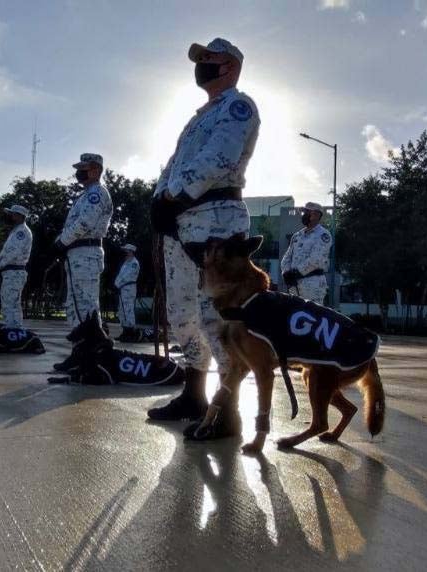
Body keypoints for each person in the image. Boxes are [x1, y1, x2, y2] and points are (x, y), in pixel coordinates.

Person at [147, 37, 260, 438]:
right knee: (182, 316)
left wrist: (175, 196)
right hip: (182, 224)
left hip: (216, 221)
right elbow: (175, 164)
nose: (202, 65)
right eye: (201, 60)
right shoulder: (198, 117)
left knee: (216, 320)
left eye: (209, 59)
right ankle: (193, 394)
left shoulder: (238, 106)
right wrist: (160, 198)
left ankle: (228, 411)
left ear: (229, 66)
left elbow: (219, 160)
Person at [53, 153, 113, 371]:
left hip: (86, 252)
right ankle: (81, 352)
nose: (79, 172)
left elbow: (85, 222)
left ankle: (90, 354)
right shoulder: (86, 194)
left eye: (84, 168)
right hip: (78, 253)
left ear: (96, 170)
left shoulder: (97, 193)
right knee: (76, 306)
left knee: (85, 306)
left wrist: (62, 241)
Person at [280, 202, 332, 304]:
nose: (304, 215)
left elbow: (316, 259)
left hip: (313, 285)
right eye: (304, 212)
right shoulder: (297, 235)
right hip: (294, 285)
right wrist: (286, 273)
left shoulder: (323, 235)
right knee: (295, 315)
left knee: (312, 316)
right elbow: (287, 257)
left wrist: (296, 273)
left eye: (307, 212)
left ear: (316, 215)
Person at [0, 205, 33, 329]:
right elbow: (5, 252)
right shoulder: (16, 231)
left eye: (13, 214)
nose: (11, 216)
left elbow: (14, 252)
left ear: (20, 216)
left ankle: (14, 329)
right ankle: (10, 327)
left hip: (14, 271)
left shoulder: (22, 231)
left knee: (11, 301)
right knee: (7, 300)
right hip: (10, 271)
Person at [114, 244, 140, 342]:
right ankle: (125, 332)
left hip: (129, 288)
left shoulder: (134, 263)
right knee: (122, 310)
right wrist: (116, 284)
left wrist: (117, 284)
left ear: (130, 251)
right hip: (122, 288)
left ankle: (130, 332)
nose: (124, 252)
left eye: (126, 251)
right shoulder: (126, 263)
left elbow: (127, 276)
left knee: (128, 309)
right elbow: (120, 275)